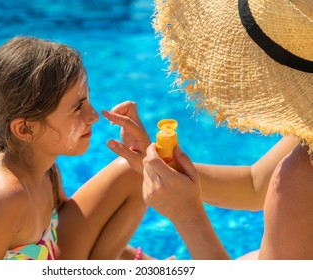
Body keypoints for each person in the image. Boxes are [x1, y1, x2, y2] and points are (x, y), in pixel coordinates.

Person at [109, 0, 313, 259]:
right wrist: (169, 168)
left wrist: (187, 214)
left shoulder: (303, 176)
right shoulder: (308, 140)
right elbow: (253, 185)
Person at [0, 36, 154, 260]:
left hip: (49, 257)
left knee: (133, 170)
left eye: (87, 100)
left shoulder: (43, 168)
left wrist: (143, 262)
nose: (94, 116)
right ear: (25, 130)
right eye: (78, 107)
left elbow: (82, 228)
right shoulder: (4, 196)